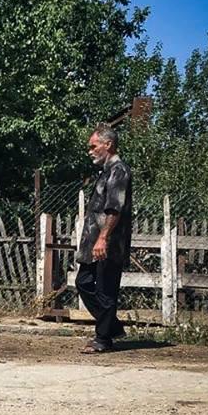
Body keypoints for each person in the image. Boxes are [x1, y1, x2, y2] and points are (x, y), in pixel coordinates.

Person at [74, 124, 133, 354]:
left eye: (93, 146)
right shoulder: (106, 172)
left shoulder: (119, 171)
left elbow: (114, 209)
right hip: (93, 242)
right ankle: (112, 327)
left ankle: (103, 339)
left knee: (106, 290)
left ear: (107, 145)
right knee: (84, 282)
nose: (90, 150)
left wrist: (103, 239)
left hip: (108, 243)